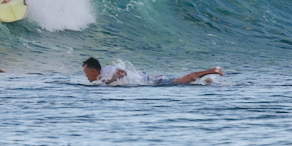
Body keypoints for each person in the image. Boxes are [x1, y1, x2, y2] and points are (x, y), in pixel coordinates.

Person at [82, 57, 224, 86]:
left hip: (149, 80)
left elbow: (122, 73)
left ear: (94, 70)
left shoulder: (106, 71)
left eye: (86, 72)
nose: (85, 75)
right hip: (149, 79)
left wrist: (110, 81)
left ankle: (212, 70)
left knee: (183, 80)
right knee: (182, 82)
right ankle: (206, 80)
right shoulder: (102, 78)